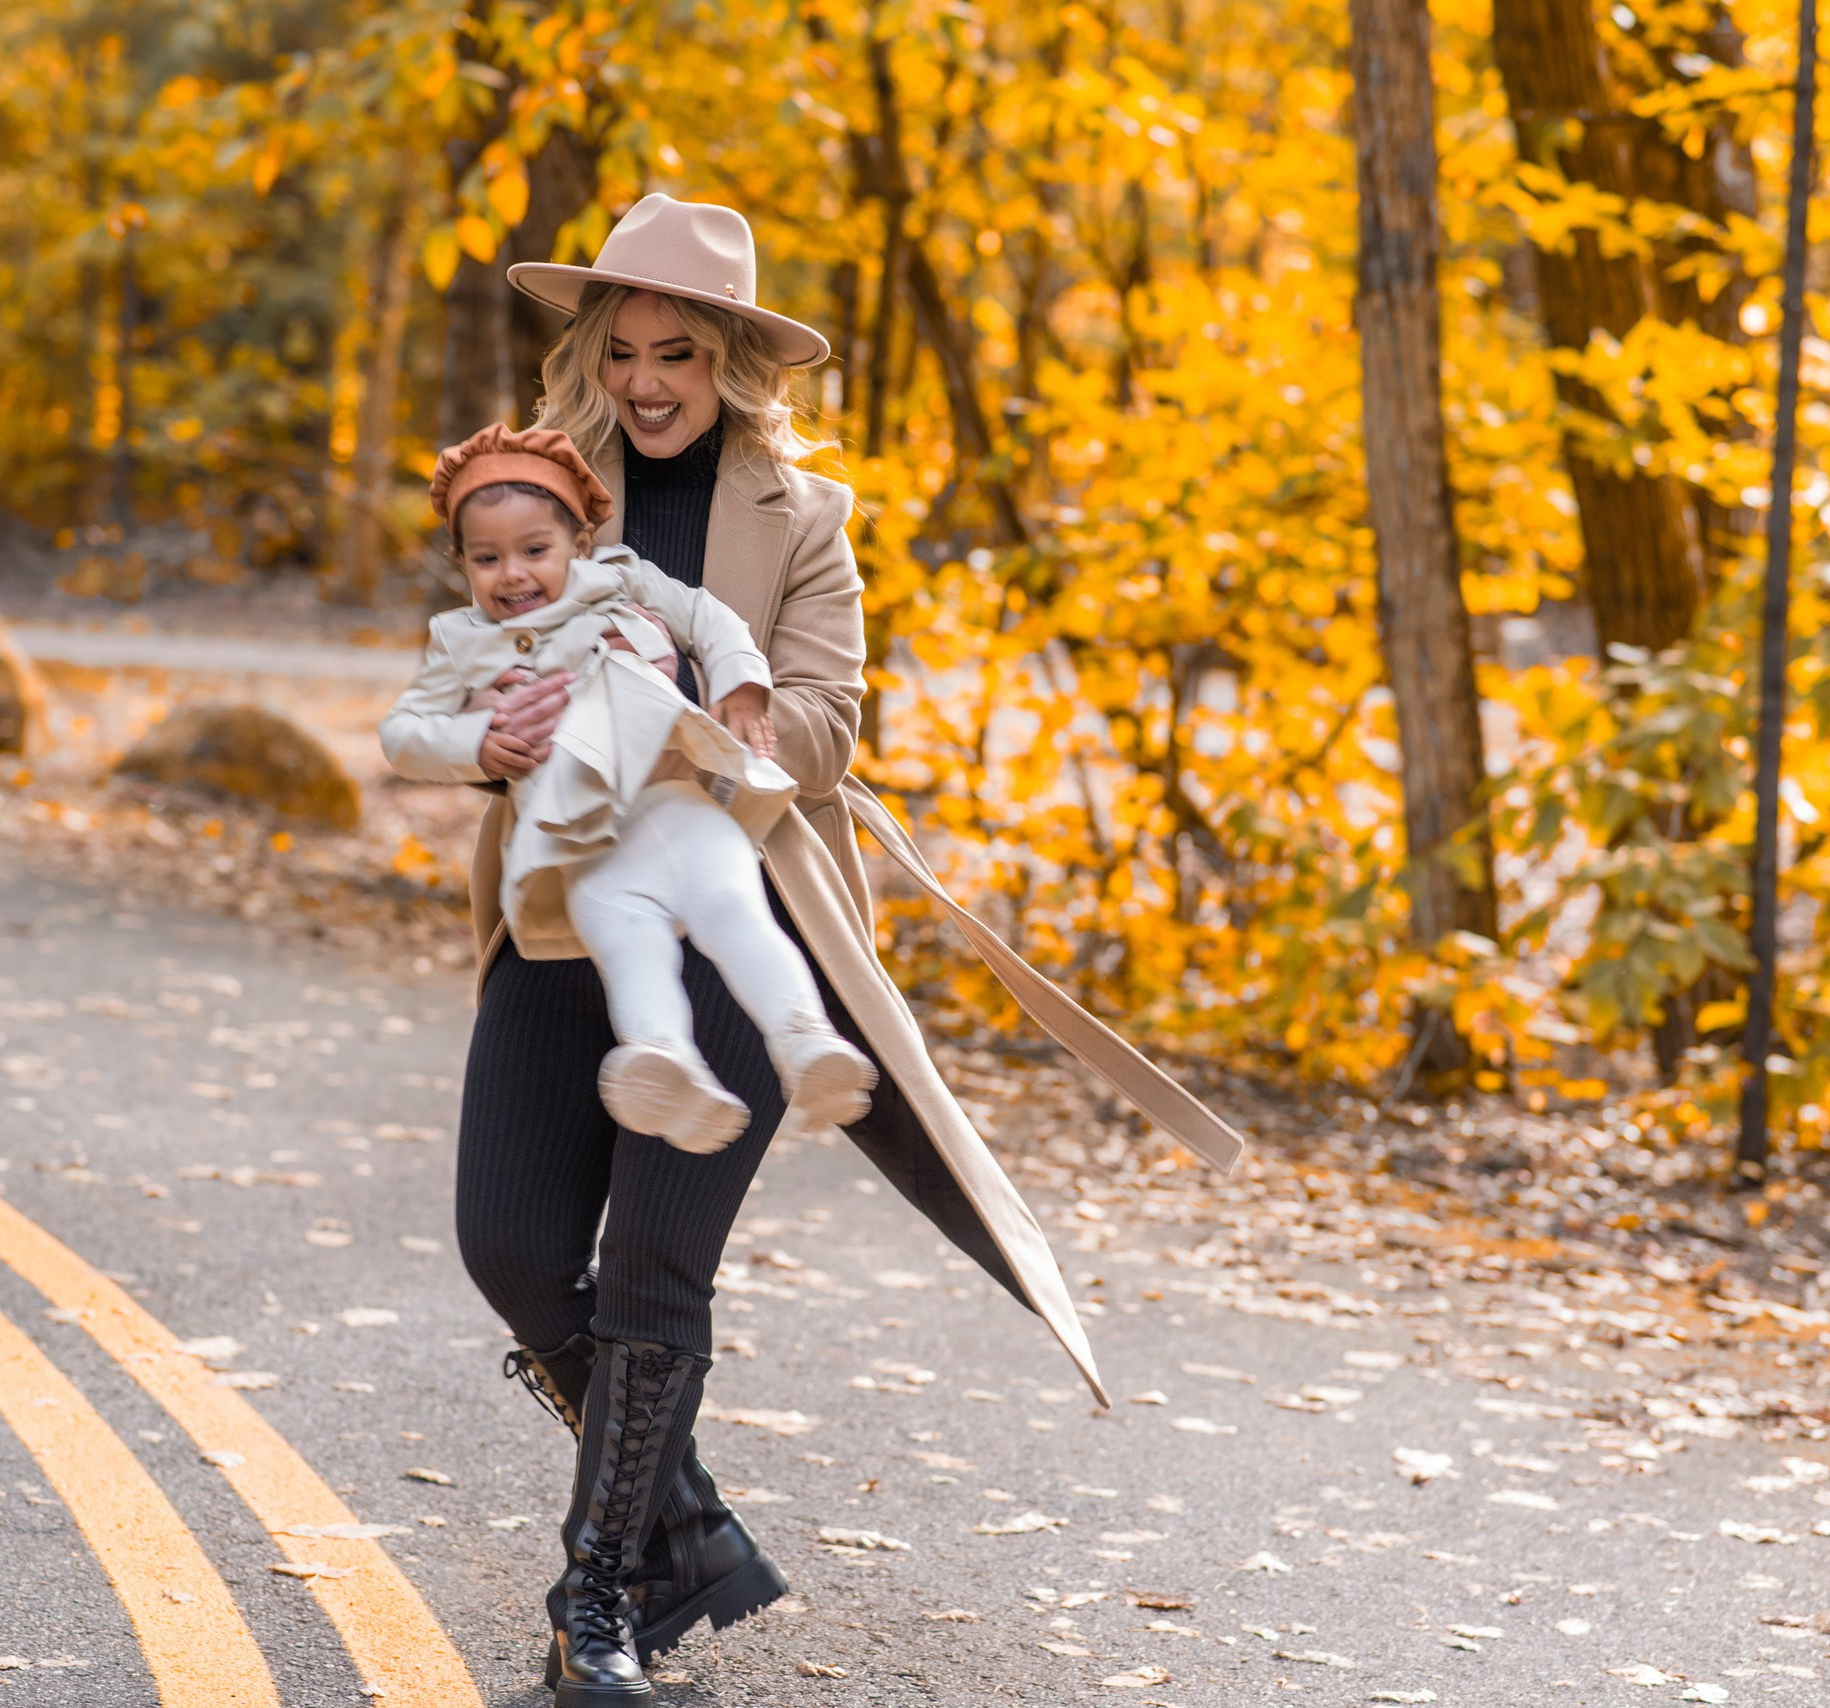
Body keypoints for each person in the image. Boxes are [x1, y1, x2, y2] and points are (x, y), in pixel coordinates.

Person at [446, 193, 1242, 1708]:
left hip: (740, 918)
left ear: (733, 361)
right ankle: (682, 1528)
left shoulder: (805, 518)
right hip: (564, 918)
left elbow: (821, 731)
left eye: (679, 354)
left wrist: (688, 716)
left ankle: (598, 1599)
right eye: (622, 353)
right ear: (591, 356)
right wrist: (500, 728)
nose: (646, 383)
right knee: (513, 1248)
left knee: (654, 1267)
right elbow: (485, 655)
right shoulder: (545, 485)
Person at [379, 424, 877, 1152]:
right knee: (626, 944)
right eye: (487, 558)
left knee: (734, 910)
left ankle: (806, 1041)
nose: (512, 575)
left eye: (535, 551)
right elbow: (402, 734)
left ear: (580, 543)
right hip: (582, 846)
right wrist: (476, 743)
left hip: (678, 805)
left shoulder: (621, 580)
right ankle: (665, 1063)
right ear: (462, 562)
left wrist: (740, 685)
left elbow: (711, 619)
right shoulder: (463, 643)